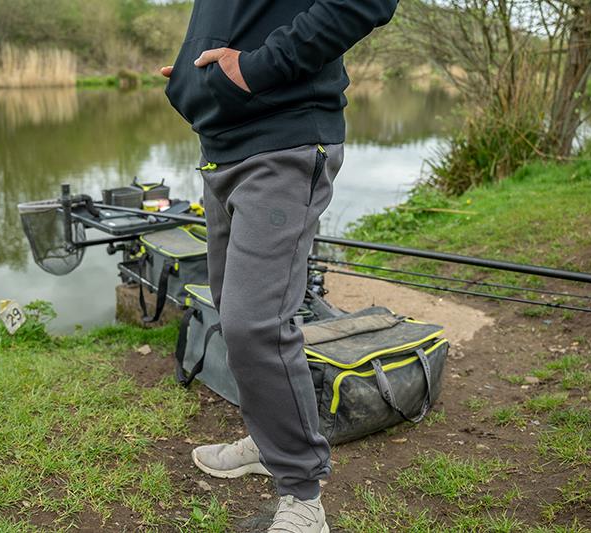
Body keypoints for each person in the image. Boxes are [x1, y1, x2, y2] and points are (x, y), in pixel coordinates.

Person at [161, 1, 398, 531]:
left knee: (257, 323)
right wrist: (189, 80)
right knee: (233, 311)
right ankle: (269, 439)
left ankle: (302, 495)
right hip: (222, 146)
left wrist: (254, 68)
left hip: (284, 140)